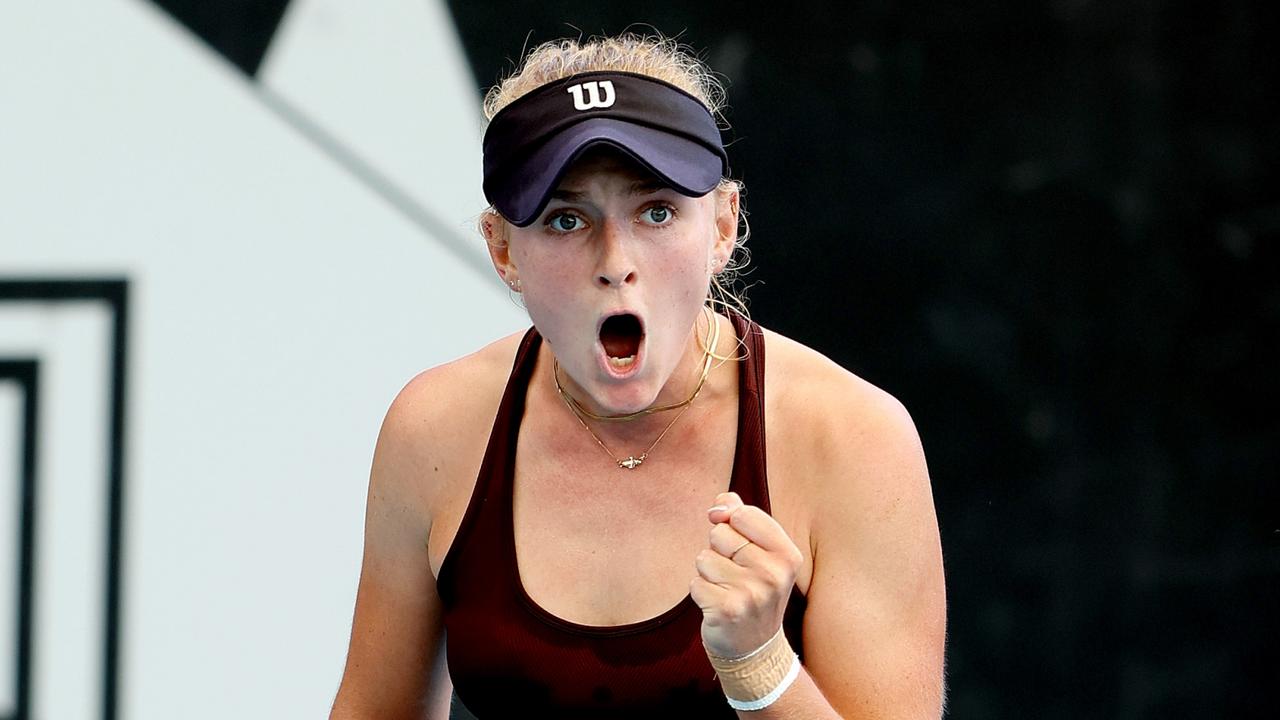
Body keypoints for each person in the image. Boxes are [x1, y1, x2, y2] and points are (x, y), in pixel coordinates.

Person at [330, 34, 946, 719]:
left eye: (656, 211)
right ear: (503, 250)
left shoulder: (853, 439)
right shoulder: (434, 431)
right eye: (566, 220)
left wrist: (760, 665)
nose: (615, 261)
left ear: (721, 225)